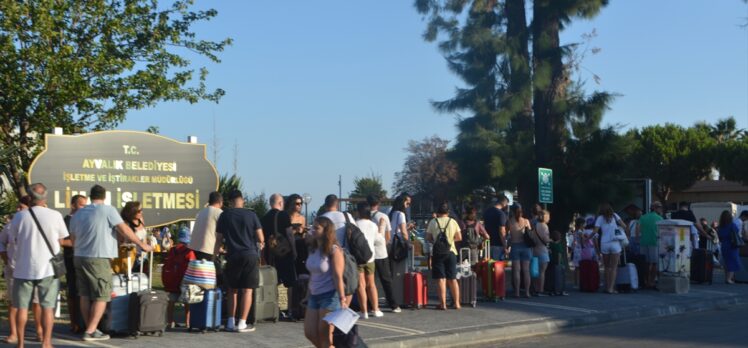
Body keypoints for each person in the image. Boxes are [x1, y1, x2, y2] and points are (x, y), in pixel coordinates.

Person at [69, 184, 152, 341]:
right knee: (103, 294)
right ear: (104, 197)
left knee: (85, 294)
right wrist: (142, 245)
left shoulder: (79, 214)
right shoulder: (108, 210)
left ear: (91, 196)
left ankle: (90, 328)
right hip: (98, 257)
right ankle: (91, 330)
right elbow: (124, 230)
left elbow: (73, 238)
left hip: (79, 256)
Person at [7, 183, 69, 348]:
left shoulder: (20, 217)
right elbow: (62, 239)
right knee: (47, 308)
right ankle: (46, 342)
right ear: (45, 197)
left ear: (29, 197)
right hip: (48, 268)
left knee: (21, 308)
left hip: (23, 268)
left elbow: (12, 239)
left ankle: (20, 343)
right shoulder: (55, 215)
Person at [215, 189, 264, 333]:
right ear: (242, 200)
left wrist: (216, 252)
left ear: (229, 202)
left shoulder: (225, 215)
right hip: (250, 254)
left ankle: (230, 321)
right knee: (247, 290)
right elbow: (261, 238)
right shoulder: (252, 215)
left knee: (232, 290)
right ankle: (242, 323)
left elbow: (218, 239)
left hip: (233, 255)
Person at [304, 217, 346, 348]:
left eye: (317, 228)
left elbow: (337, 276)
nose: (313, 230)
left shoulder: (334, 250)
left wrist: (342, 299)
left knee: (324, 334)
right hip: (314, 295)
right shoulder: (313, 248)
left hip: (330, 296)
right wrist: (307, 295)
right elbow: (312, 274)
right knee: (310, 333)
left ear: (326, 230)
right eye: (313, 227)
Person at [0, 196, 33, 345]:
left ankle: (40, 331)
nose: (18, 210)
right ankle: (13, 333)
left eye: (21, 207)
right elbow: (1, 243)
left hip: (35, 268)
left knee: (37, 303)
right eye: (18, 207)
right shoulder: (10, 225)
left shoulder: (36, 224)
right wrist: (7, 261)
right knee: (14, 302)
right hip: (14, 269)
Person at [261, 193, 297, 317]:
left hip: (270, 254)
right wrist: (294, 250)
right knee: (290, 282)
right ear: (281, 203)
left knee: (273, 281)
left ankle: (274, 309)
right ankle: (290, 310)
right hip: (284, 253)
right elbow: (289, 234)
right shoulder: (283, 215)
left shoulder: (264, 218)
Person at [367, 195, 401, 313]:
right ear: (378, 204)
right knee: (386, 280)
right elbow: (388, 236)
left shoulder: (363, 217)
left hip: (367, 254)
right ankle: (393, 304)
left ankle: (370, 305)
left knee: (369, 281)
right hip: (381, 253)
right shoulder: (383, 216)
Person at [426, 202, 462, 310]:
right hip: (451, 252)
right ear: (448, 212)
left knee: (441, 279)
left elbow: (428, 238)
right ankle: (456, 303)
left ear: (438, 212)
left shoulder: (433, 222)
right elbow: (459, 237)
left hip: (438, 253)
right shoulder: (453, 222)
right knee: (453, 279)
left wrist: (437, 242)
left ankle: (443, 304)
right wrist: (450, 242)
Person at [63, 194, 87, 334]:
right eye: (81, 205)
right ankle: (74, 323)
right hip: (71, 260)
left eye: (86, 205)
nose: (84, 208)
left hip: (83, 259)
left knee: (83, 292)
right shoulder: (67, 221)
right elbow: (63, 241)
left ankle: (83, 321)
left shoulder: (84, 221)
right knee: (73, 292)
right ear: (73, 205)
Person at [163, 227, 195, 328]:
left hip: (172, 280)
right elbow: (193, 265)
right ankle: (187, 322)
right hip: (184, 280)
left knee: (171, 300)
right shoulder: (189, 251)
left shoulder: (172, 250)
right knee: (187, 301)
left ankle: (169, 321)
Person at [354, 202, 382, 319]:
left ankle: (364, 311)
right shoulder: (373, 225)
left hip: (358, 258)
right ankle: (375, 309)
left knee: (361, 285)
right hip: (370, 257)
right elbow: (378, 240)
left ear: (358, 212)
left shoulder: (355, 224)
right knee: (371, 284)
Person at [594, 203, 628, 294]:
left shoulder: (600, 218)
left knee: (606, 267)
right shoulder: (615, 215)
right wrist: (617, 227)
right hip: (615, 243)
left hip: (604, 243)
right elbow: (624, 226)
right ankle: (611, 288)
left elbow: (595, 231)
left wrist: (588, 238)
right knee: (613, 267)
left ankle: (606, 286)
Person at [507, 203, 532, 298]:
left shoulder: (510, 222)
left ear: (513, 212)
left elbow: (508, 237)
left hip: (515, 246)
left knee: (516, 271)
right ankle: (527, 292)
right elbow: (530, 234)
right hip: (525, 247)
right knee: (526, 270)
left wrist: (507, 247)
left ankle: (517, 292)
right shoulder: (526, 221)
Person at [189, 191, 223, 261]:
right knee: (216, 271)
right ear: (220, 202)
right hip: (208, 250)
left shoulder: (201, 212)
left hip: (194, 249)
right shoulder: (219, 212)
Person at [636, 201, 663, 289]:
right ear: (655, 208)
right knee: (654, 263)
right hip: (654, 242)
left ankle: (646, 281)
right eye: (659, 207)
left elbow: (638, 229)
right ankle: (651, 282)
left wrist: (637, 239)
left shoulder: (643, 217)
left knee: (646, 263)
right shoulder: (659, 218)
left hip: (643, 242)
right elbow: (662, 232)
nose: (660, 209)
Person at [120, 201, 147, 273]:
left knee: (143, 280)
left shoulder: (140, 220)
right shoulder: (125, 224)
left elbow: (144, 237)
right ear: (132, 212)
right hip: (129, 257)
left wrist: (145, 247)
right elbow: (121, 242)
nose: (141, 212)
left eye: (142, 210)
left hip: (142, 256)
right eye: (139, 211)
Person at [717, 210, 743, 284]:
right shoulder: (732, 225)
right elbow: (737, 231)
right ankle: (729, 279)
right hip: (732, 245)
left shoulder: (720, 226)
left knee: (727, 262)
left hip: (724, 245)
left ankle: (726, 278)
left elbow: (719, 236)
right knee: (733, 261)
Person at [531, 210, 552, 296]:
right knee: (542, 272)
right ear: (545, 217)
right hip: (542, 250)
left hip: (534, 250)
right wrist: (552, 240)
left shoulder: (535, 225)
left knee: (535, 271)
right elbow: (545, 239)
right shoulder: (544, 226)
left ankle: (535, 289)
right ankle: (541, 290)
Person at [483, 194, 508, 261]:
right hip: (498, 244)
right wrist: (505, 246)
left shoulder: (487, 212)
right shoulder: (501, 214)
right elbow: (502, 231)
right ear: (504, 203)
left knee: (488, 266)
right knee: (497, 267)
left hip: (488, 244)